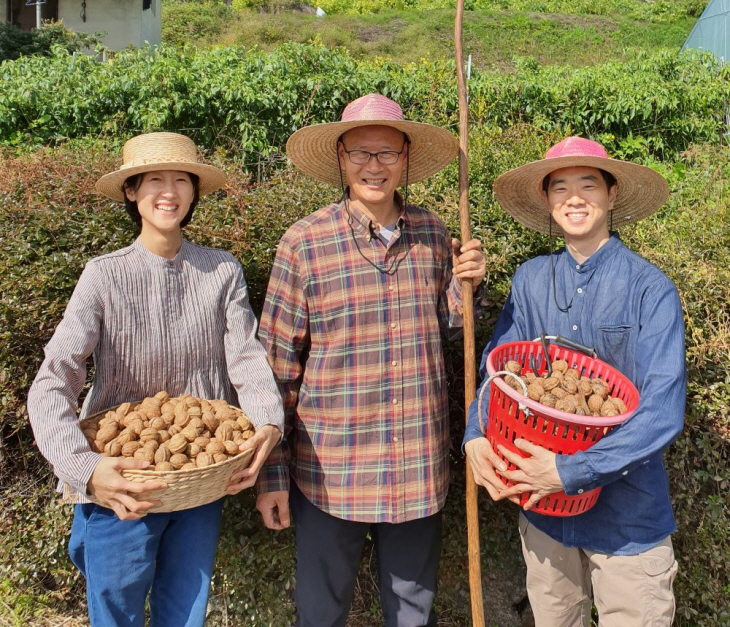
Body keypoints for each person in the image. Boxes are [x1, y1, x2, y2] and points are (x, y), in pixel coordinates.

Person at [27, 132, 285, 627]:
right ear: (131, 192)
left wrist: (267, 425)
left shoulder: (221, 271)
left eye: (181, 180)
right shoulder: (103, 276)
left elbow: (246, 359)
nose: (169, 192)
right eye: (154, 181)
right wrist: (82, 468)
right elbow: (54, 378)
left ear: (194, 192)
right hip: (121, 480)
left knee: (186, 608)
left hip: (197, 482)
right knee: (115, 606)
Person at [255, 93, 487, 627]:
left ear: (406, 159)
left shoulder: (433, 233)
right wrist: (271, 475)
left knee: (412, 613)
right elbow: (276, 371)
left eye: (387, 153)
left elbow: (451, 325)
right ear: (340, 158)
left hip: (415, 466)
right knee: (321, 612)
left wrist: (466, 283)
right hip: (330, 472)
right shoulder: (304, 243)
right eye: (360, 153)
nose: (374, 166)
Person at [464, 136, 686, 626]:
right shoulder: (530, 280)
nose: (574, 197)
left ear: (610, 195)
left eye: (588, 184)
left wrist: (568, 472)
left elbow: (663, 412)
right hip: (544, 517)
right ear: (547, 201)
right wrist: (475, 435)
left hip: (629, 520)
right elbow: (497, 374)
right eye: (560, 187)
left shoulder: (651, 289)